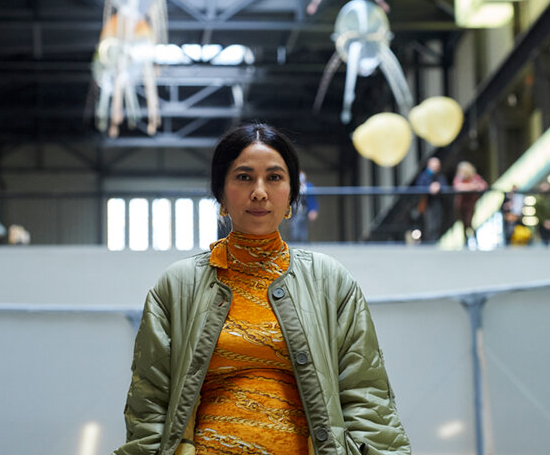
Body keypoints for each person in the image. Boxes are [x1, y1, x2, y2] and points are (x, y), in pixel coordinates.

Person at [114, 123, 410, 455]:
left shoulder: (331, 283)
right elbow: (148, 408)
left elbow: (368, 399)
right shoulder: (177, 287)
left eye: (274, 177)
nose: (259, 191)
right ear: (221, 195)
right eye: (243, 177)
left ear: (291, 196)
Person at [452, 161, 488, 246]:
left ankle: (473, 239)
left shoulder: (474, 177)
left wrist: (469, 186)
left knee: (469, 222)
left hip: (471, 204)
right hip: (460, 204)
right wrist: (473, 186)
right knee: (464, 223)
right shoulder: (459, 178)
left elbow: (483, 186)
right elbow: (458, 187)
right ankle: (466, 241)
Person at [415, 157, 447, 243]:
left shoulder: (440, 176)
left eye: (437, 166)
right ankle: (428, 243)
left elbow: (445, 187)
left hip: (438, 203)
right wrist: (429, 188)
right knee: (429, 225)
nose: (435, 168)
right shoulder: (424, 176)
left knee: (437, 224)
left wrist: (438, 187)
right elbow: (419, 187)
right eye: (434, 166)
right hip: (427, 203)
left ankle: (435, 241)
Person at [289, 170, 319, 242]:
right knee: (295, 231)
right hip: (294, 212)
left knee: (303, 232)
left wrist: (313, 210)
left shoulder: (308, 186)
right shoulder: (292, 186)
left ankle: (303, 247)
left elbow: (313, 200)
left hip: (304, 212)